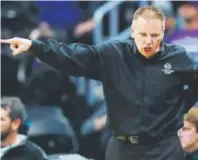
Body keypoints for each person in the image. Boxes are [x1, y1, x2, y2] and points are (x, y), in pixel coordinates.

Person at [1, 6, 198, 160]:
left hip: (165, 148)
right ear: (132, 31)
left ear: (163, 33)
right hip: (122, 148)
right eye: (142, 34)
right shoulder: (113, 54)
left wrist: (180, 107)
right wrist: (35, 46)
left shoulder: (177, 57)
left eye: (155, 36)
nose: (148, 41)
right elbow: (71, 55)